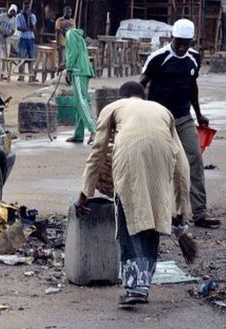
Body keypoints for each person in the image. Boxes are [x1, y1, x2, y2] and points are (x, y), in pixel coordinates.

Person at [76, 81, 190, 307]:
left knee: (129, 216)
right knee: (154, 216)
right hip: (162, 154)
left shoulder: (114, 107)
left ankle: (134, 288)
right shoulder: (162, 111)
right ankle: (143, 284)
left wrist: (85, 193)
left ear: (122, 96)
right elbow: (182, 165)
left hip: (128, 153)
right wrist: (180, 209)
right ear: (143, 96)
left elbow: (98, 152)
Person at [140, 19, 221, 229]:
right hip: (158, 118)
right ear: (172, 38)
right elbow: (140, 85)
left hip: (184, 117)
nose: (182, 47)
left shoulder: (194, 58)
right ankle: (152, 213)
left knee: (193, 159)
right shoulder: (158, 58)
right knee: (157, 163)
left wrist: (199, 114)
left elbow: (192, 86)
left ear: (191, 41)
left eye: (186, 43)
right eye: (179, 43)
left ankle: (200, 213)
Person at [65, 28, 95, 144]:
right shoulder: (78, 35)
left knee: (81, 102)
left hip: (78, 70)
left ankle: (94, 130)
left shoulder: (69, 34)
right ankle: (79, 134)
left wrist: (68, 69)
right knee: (79, 102)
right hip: (83, 69)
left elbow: (73, 52)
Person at [0, 4, 17, 80]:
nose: (12, 13)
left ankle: (5, 74)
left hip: (7, 40)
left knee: (6, 57)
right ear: (9, 10)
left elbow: (13, 31)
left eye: (14, 12)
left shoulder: (13, 20)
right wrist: (1, 33)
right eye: (12, 11)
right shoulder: (2, 16)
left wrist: (8, 34)